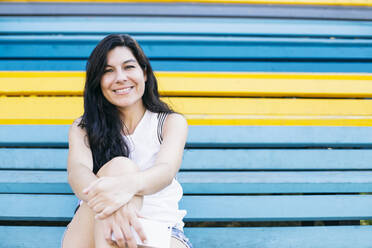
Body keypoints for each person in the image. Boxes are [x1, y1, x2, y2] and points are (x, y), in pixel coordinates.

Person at [62, 34, 192, 248]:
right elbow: (77, 173)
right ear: (97, 81)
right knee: (120, 166)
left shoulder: (170, 122)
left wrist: (125, 188)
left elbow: (165, 171)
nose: (120, 78)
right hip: (91, 228)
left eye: (128, 67)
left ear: (145, 73)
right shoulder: (83, 128)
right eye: (108, 71)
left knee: (123, 171)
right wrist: (114, 203)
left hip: (161, 229)